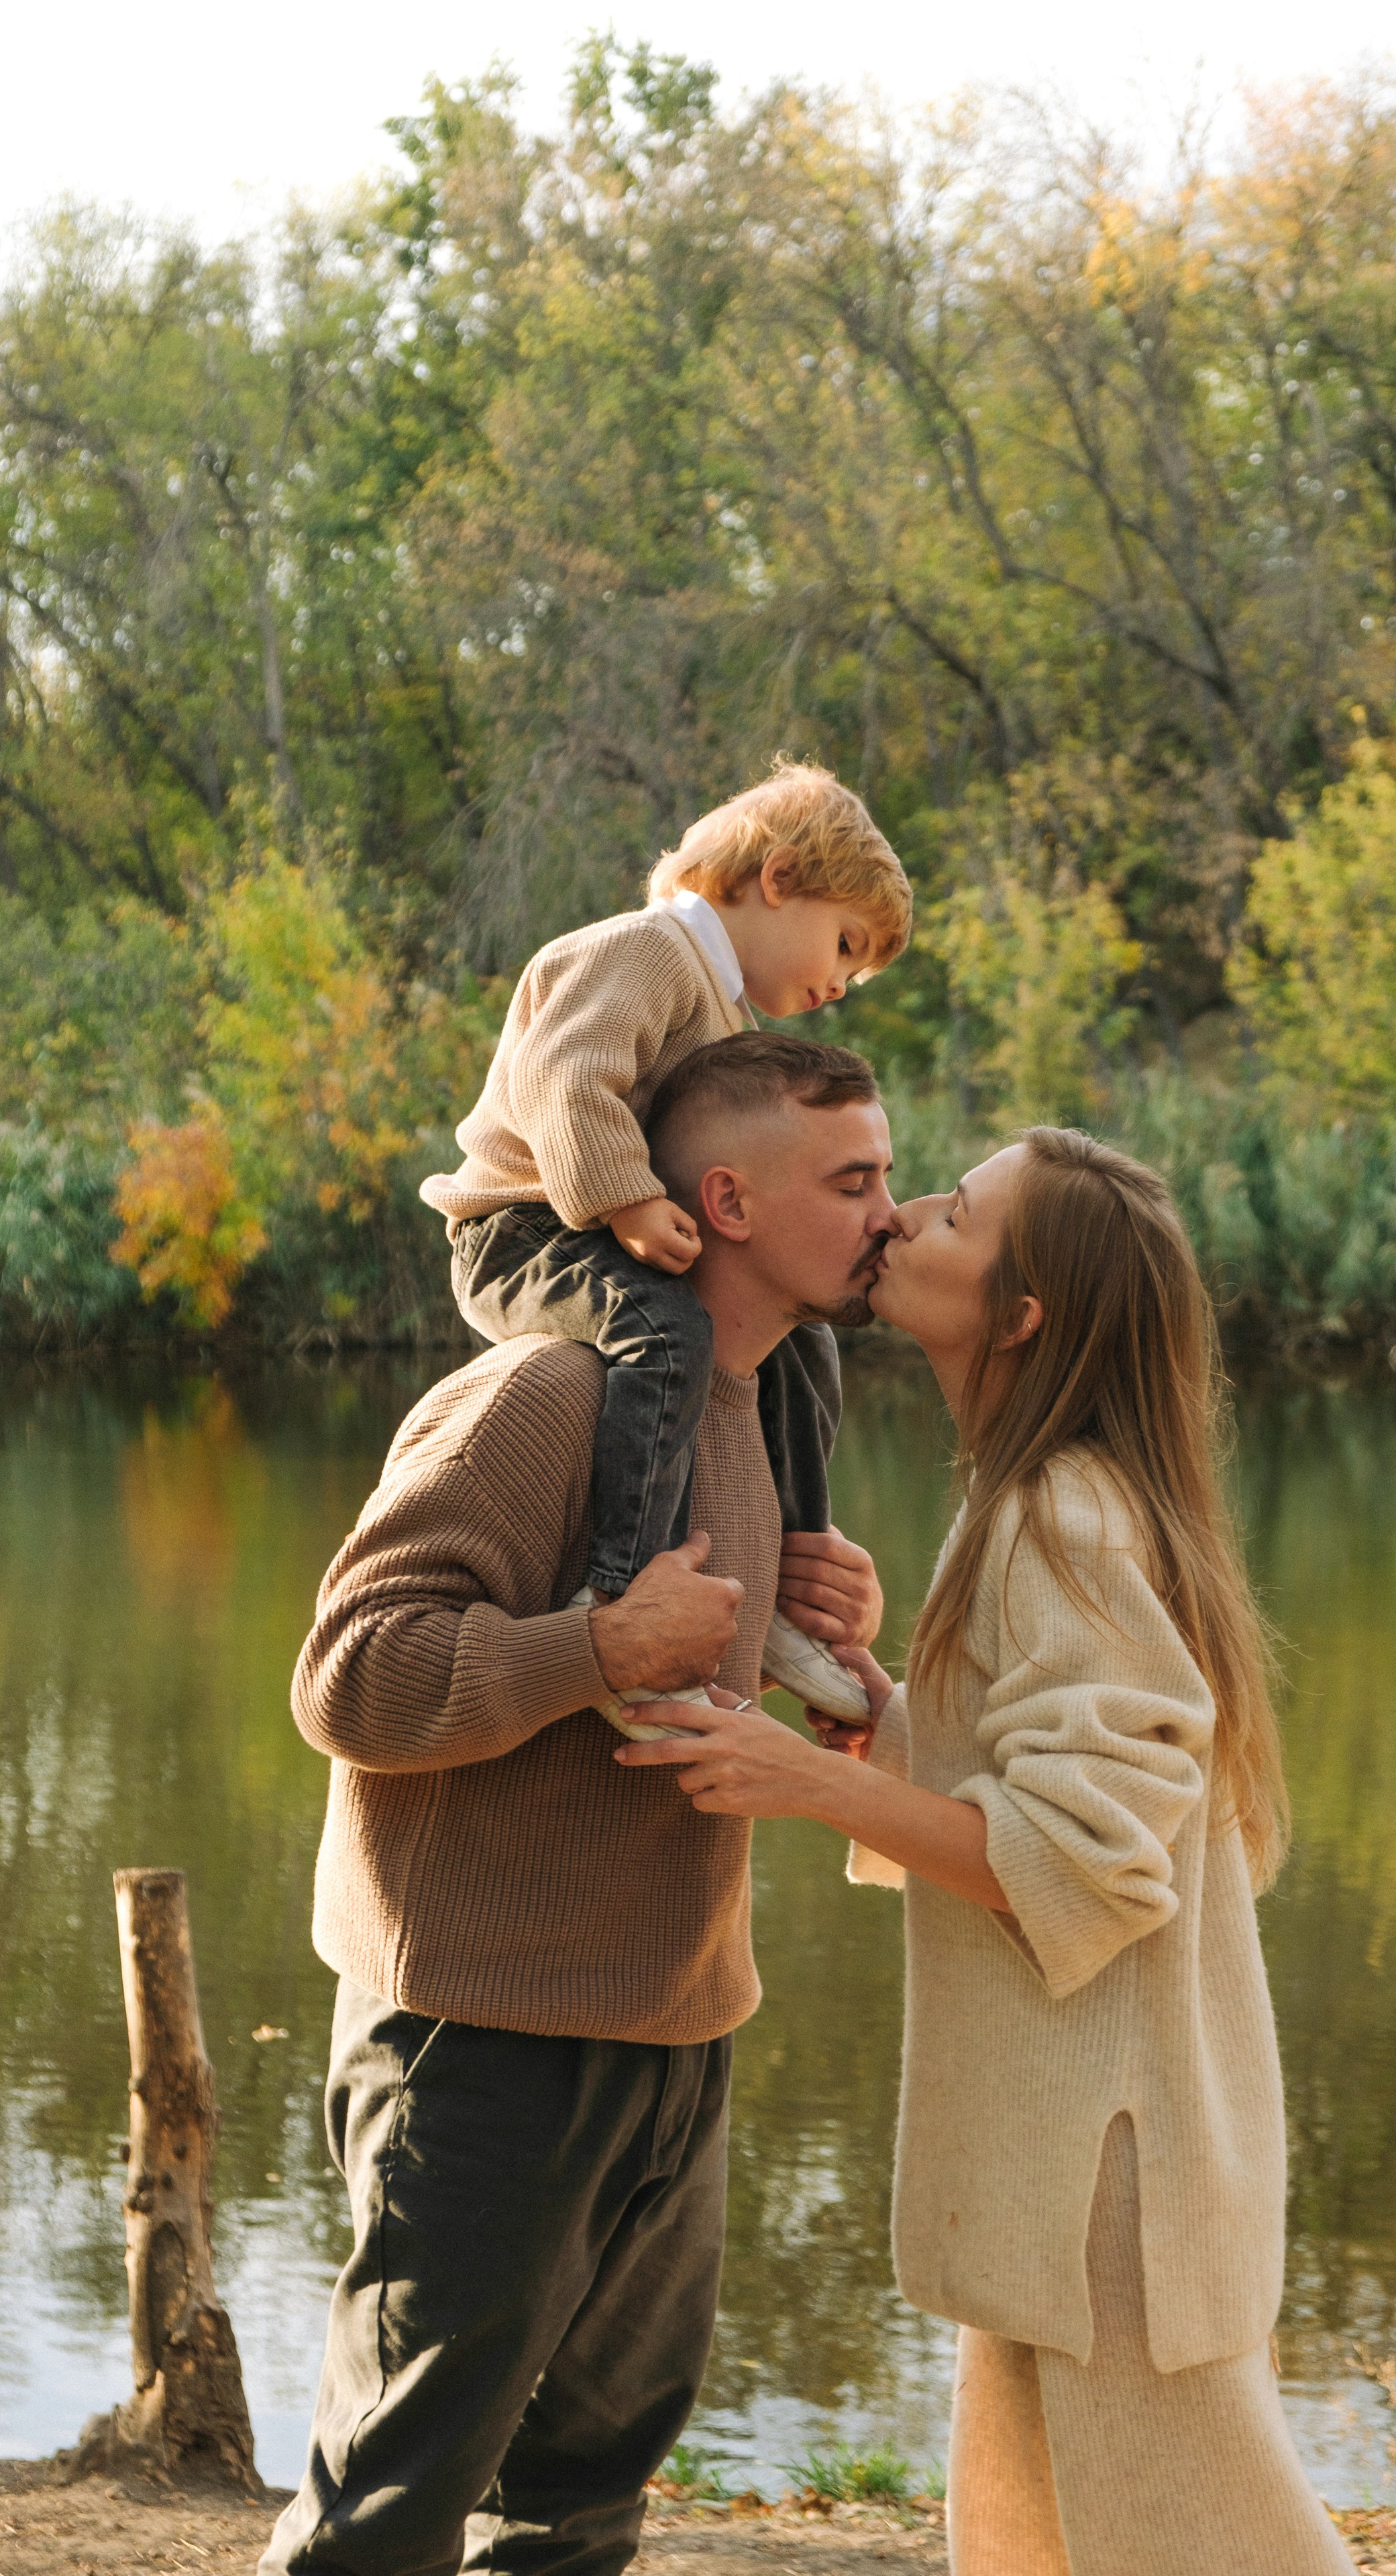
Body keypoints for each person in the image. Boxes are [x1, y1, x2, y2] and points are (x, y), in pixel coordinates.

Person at [614, 1127, 1354, 2576]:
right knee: (1036, 2549)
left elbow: (1091, 1862)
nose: (906, 1217)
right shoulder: (1028, 1499)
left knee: (1210, 2549)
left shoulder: (1061, 1514)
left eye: (952, 1213)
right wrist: (869, 1715)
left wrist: (805, 1789)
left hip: (1111, 2193)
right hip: (1064, 2176)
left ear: (1018, 1316)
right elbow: (1033, 1787)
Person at [261, 1033, 896, 2576]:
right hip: (480, 2045)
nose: (890, 1211)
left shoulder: (757, 1409)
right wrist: (595, 1644)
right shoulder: (542, 1396)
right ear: (727, 1201)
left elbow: (713, 1699)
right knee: (387, 2515)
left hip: (676, 2031)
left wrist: (829, 1653)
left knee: (580, 2505)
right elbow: (346, 1677)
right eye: (856, 1180)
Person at [417, 762, 910, 1717]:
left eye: (856, 972)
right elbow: (567, 1080)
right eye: (844, 945)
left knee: (803, 1343)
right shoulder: (648, 951)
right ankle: (625, 1592)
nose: (842, 983)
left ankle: (788, 1588)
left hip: (592, 1222)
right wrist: (631, 1200)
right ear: (779, 878)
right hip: (522, 1227)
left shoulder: (724, 1007)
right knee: (667, 1332)